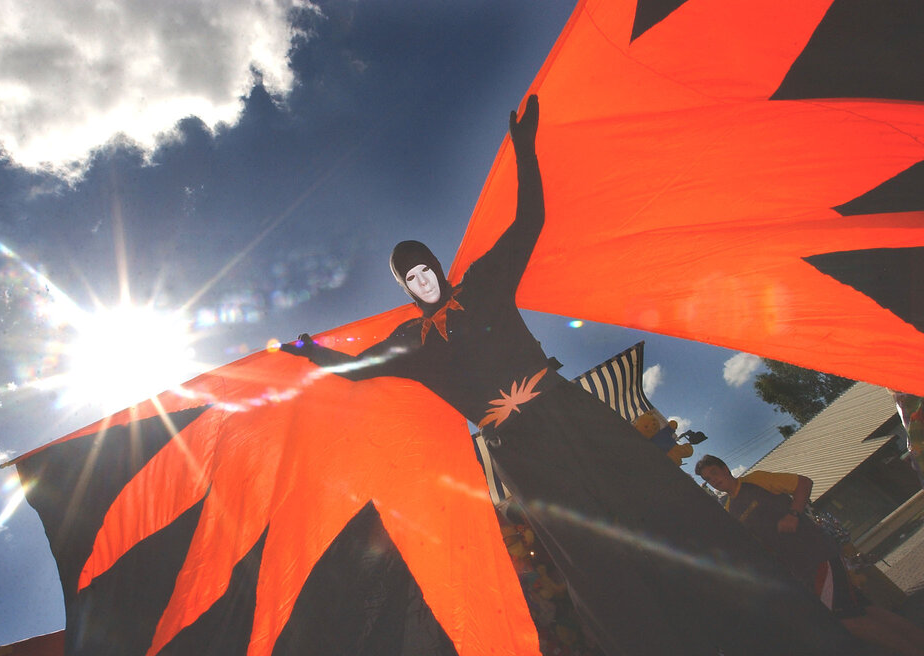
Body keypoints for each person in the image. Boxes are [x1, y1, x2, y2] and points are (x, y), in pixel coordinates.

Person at [283, 95, 860, 655]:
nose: (422, 278)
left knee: (658, 504)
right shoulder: (413, 344)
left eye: (424, 265)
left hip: (568, 411)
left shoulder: (484, 282)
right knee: (595, 564)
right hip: (520, 450)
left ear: (436, 264)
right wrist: (311, 350)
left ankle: (776, 630)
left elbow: (528, 220)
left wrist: (525, 149)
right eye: (409, 276)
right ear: (406, 288)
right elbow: (356, 370)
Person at [697, 454, 924, 656]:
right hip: (801, 569)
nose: (714, 479)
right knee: (864, 611)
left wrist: (794, 514)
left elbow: (803, 483)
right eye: (708, 479)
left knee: (848, 621)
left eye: (715, 472)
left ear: (726, 469)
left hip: (816, 554)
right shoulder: (731, 510)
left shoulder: (756, 480)